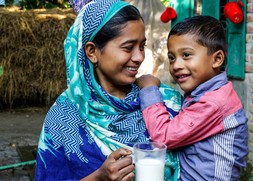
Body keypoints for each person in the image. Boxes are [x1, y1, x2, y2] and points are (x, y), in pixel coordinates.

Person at [35, 0, 182, 180]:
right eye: (128, 48)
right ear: (92, 52)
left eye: (142, 46)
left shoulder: (163, 100)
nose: (139, 57)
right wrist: (99, 177)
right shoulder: (64, 116)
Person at [136, 15, 249, 180]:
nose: (176, 65)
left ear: (217, 59)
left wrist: (149, 89)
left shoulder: (214, 102)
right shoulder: (206, 92)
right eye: (172, 58)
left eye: (186, 55)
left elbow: (162, 137)